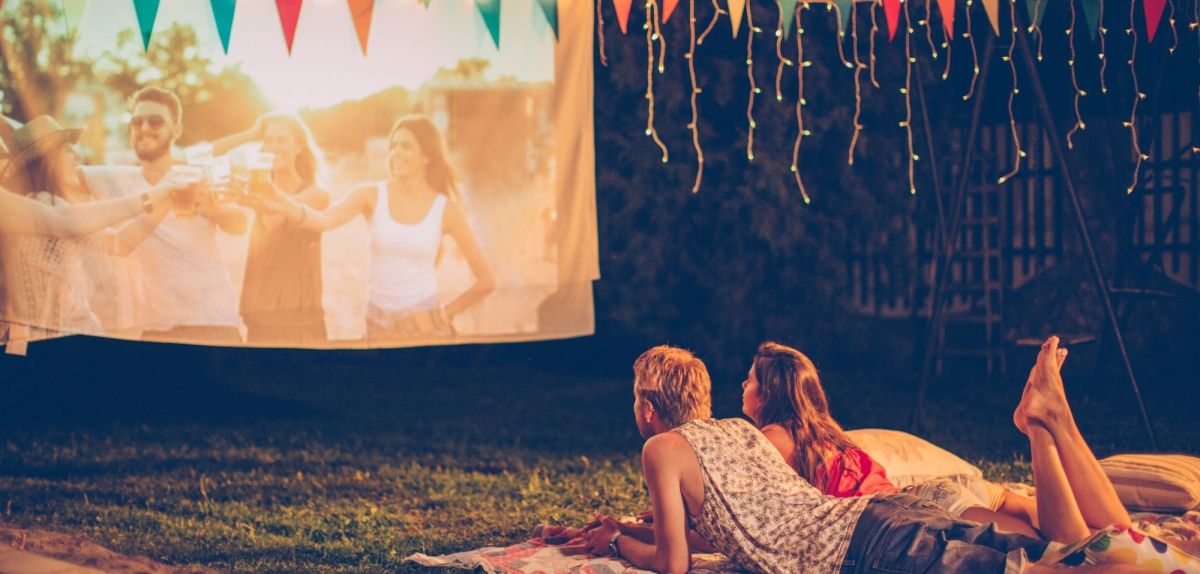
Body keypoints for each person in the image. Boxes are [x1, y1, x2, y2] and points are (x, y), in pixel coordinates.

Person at [565, 340, 1155, 574]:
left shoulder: (661, 449)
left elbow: (673, 563)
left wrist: (619, 543)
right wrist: (621, 528)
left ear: (647, 408)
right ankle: (1052, 429)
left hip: (870, 545)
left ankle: (1047, 428)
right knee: (1069, 555)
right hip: (882, 517)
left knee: (1068, 569)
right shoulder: (739, 433)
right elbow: (728, 534)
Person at [742, 341, 1042, 537]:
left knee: (1034, 551)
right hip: (926, 498)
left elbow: (744, 507)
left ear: (767, 393)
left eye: (750, 379)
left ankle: (1044, 419)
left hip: (916, 512)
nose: (743, 385)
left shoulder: (772, 438)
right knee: (1061, 536)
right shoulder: (825, 432)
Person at [259, 115, 494, 343]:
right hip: (377, 327)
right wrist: (279, 199)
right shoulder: (370, 194)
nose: (396, 153)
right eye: (394, 146)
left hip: (426, 330)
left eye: (406, 146)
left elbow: (486, 280)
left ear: (427, 156)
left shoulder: (446, 210)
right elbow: (323, 220)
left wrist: (442, 314)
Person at [0, 116, 175, 349]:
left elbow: (119, 243)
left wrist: (166, 201)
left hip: (63, 344)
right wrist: (152, 197)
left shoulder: (53, 206)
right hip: (51, 349)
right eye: (69, 150)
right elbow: (65, 222)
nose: (79, 157)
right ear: (48, 159)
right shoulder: (40, 207)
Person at [106, 86, 247, 344]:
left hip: (211, 323)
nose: (144, 127)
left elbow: (240, 224)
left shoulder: (199, 172)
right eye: (136, 121)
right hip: (155, 329)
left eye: (156, 120)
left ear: (176, 130)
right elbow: (64, 171)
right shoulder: (118, 179)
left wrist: (209, 208)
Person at [212, 112, 330, 345]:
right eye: (268, 140)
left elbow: (276, 216)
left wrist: (252, 197)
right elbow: (209, 156)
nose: (274, 146)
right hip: (259, 316)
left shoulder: (317, 195)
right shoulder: (255, 190)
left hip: (301, 321)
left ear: (299, 147)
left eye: (282, 140)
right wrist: (250, 134)